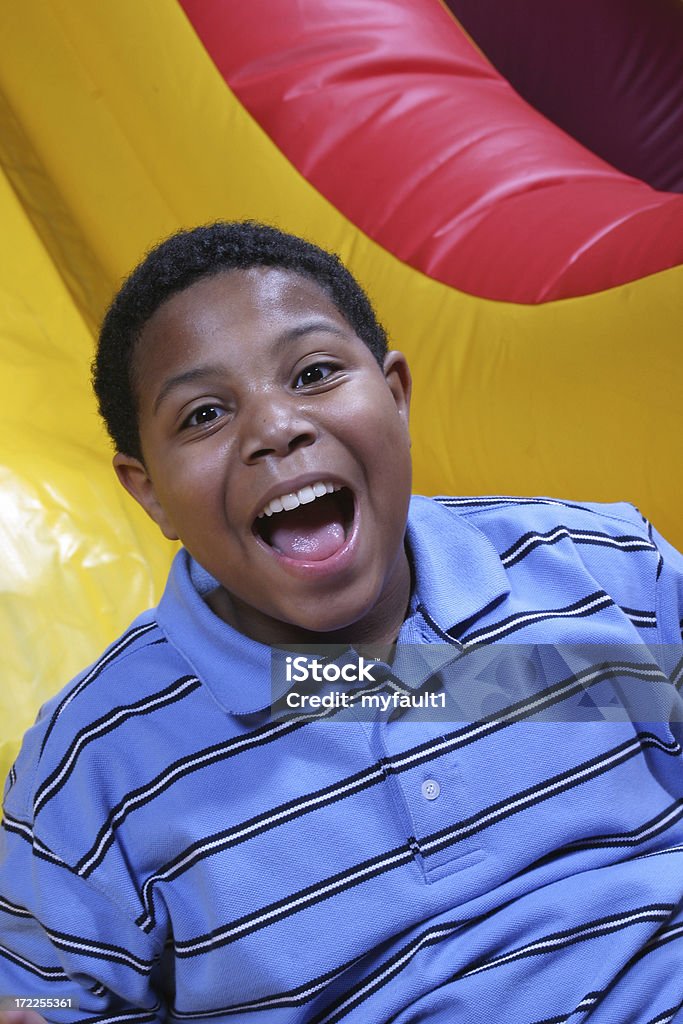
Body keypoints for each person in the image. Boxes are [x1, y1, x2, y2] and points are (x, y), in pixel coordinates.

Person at [0, 222, 681, 1024]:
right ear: (148, 493)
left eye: (315, 373)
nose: (274, 428)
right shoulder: (94, 765)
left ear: (394, 395)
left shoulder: (599, 566)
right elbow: (35, 994)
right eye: (204, 415)